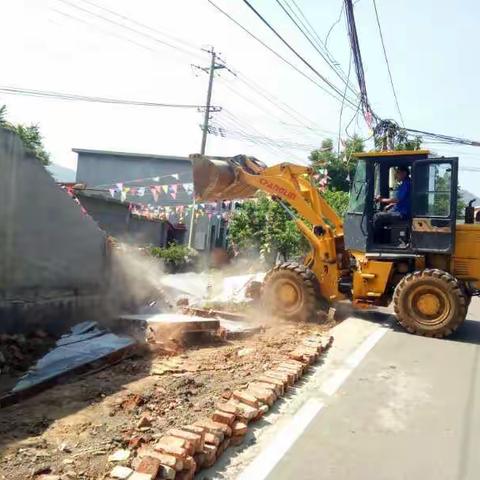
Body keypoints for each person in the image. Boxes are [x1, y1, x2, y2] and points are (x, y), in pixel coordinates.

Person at [373, 165, 411, 231]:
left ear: (404, 173)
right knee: (383, 211)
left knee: (377, 217)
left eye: (398, 172)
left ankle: (375, 240)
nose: (396, 175)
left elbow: (397, 199)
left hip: (401, 213)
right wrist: (390, 205)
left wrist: (381, 200)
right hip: (400, 211)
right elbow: (404, 200)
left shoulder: (406, 184)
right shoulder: (405, 183)